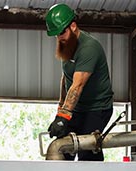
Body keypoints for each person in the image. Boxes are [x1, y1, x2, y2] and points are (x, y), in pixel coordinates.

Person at [45, 3, 114, 161]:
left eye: (62, 32)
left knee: (86, 147)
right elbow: (66, 79)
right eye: (56, 34)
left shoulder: (89, 48)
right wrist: (60, 110)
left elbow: (78, 85)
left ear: (73, 26)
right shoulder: (67, 46)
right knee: (63, 147)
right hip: (77, 108)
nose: (59, 38)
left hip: (97, 108)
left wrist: (64, 117)